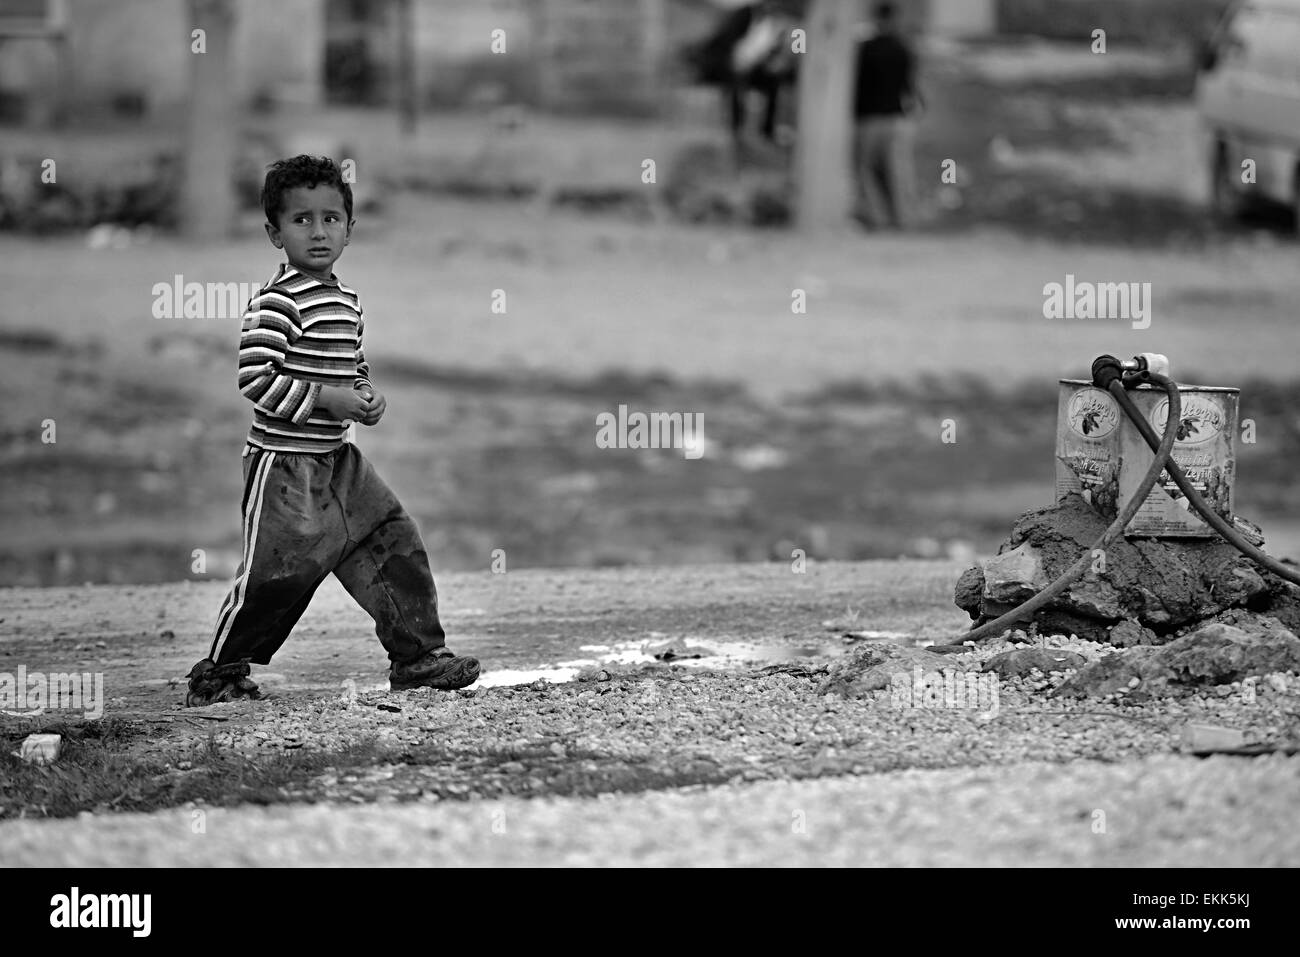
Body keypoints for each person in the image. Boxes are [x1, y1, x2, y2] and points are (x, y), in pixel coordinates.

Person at [185, 155, 480, 706]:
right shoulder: (278, 302)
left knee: (393, 539)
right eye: (301, 220)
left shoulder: (346, 302)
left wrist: (365, 396)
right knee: (280, 575)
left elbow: (352, 364)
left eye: (331, 219)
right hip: (284, 465)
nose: (318, 231)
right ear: (275, 233)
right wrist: (327, 399)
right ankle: (219, 673)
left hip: (339, 462)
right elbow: (255, 379)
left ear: (350, 227)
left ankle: (417, 658)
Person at [852, 1, 920, 229]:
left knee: (866, 171)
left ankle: (878, 219)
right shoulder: (903, 49)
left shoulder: (865, 50)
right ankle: (905, 220)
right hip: (896, 118)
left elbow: (855, 86)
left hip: (868, 119)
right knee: (898, 173)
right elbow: (910, 88)